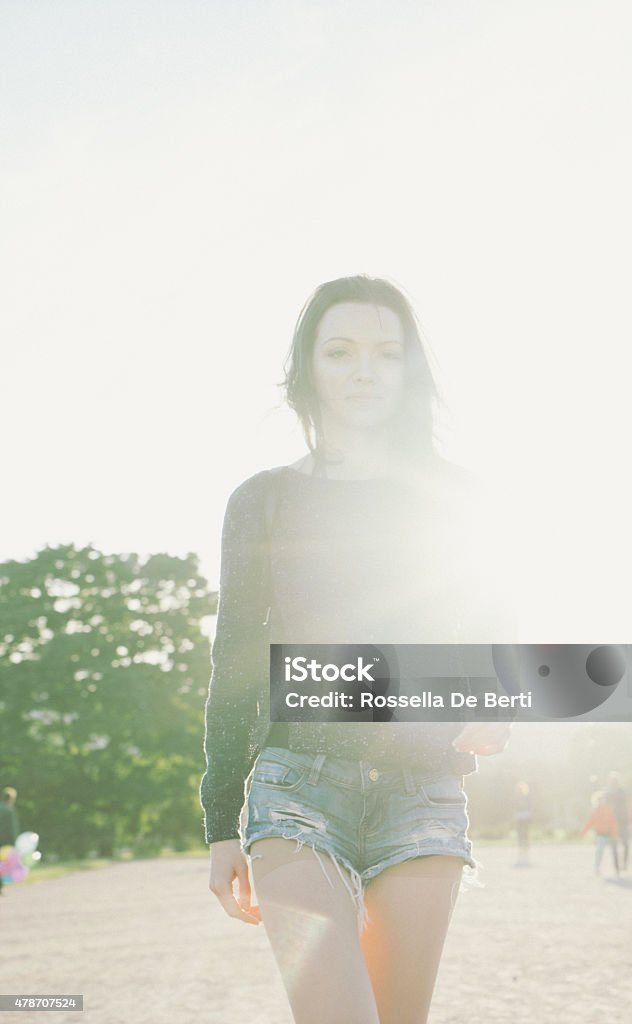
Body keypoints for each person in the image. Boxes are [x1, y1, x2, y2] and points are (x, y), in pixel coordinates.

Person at [201, 276, 515, 1024]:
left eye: (386, 353)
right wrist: (220, 822)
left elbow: (495, 629)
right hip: (296, 793)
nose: (364, 370)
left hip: (423, 796)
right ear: (309, 367)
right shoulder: (263, 499)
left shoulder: (462, 498)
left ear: (412, 371)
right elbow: (236, 660)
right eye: (340, 351)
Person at [581, 791, 620, 876]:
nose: (601, 801)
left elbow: (613, 823)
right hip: (600, 834)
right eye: (599, 800)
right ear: (596, 801)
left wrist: (615, 834)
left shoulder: (608, 810)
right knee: (599, 852)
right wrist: (584, 831)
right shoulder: (595, 811)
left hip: (609, 834)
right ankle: (597, 868)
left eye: (602, 800)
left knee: (614, 852)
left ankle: (617, 869)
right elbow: (590, 822)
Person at [605, 771, 630, 869]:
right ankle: (616, 865)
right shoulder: (607, 793)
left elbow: (625, 796)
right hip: (612, 822)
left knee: (626, 844)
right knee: (614, 845)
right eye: (612, 781)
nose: (614, 782)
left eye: (615, 780)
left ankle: (625, 863)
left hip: (623, 821)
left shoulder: (623, 791)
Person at [0, 787, 20, 896]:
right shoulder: (9, 810)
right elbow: (12, 828)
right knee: (2, 865)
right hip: (5, 842)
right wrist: (14, 843)